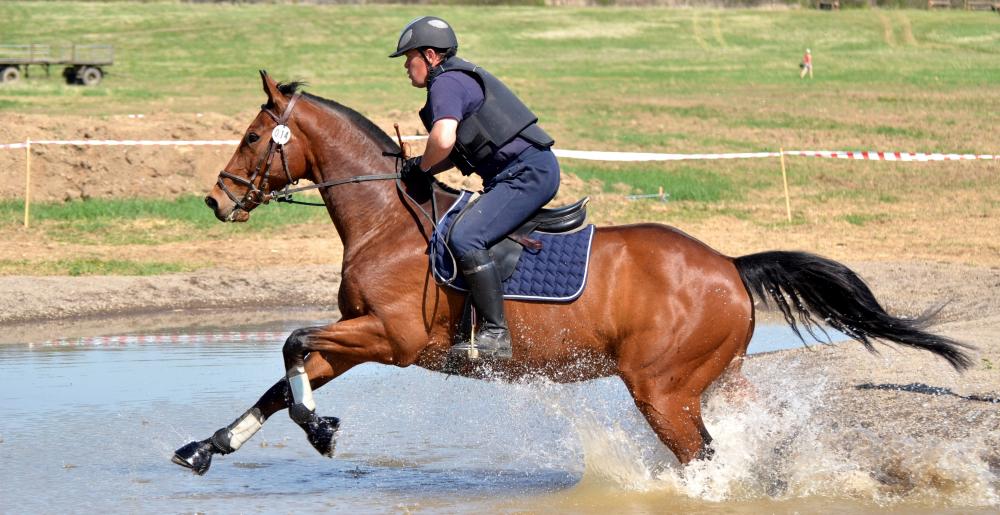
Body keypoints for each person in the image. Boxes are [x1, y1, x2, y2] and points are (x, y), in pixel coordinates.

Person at [390, 16, 561, 360]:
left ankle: (496, 335)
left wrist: (421, 167)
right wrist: (424, 166)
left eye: (409, 58)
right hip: (519, 173)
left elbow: (442, 138)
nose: (406, 67)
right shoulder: (454, 78)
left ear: (430, 56)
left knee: (466, 236)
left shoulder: (446, 83)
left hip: (527, 174)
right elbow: (455, 153)